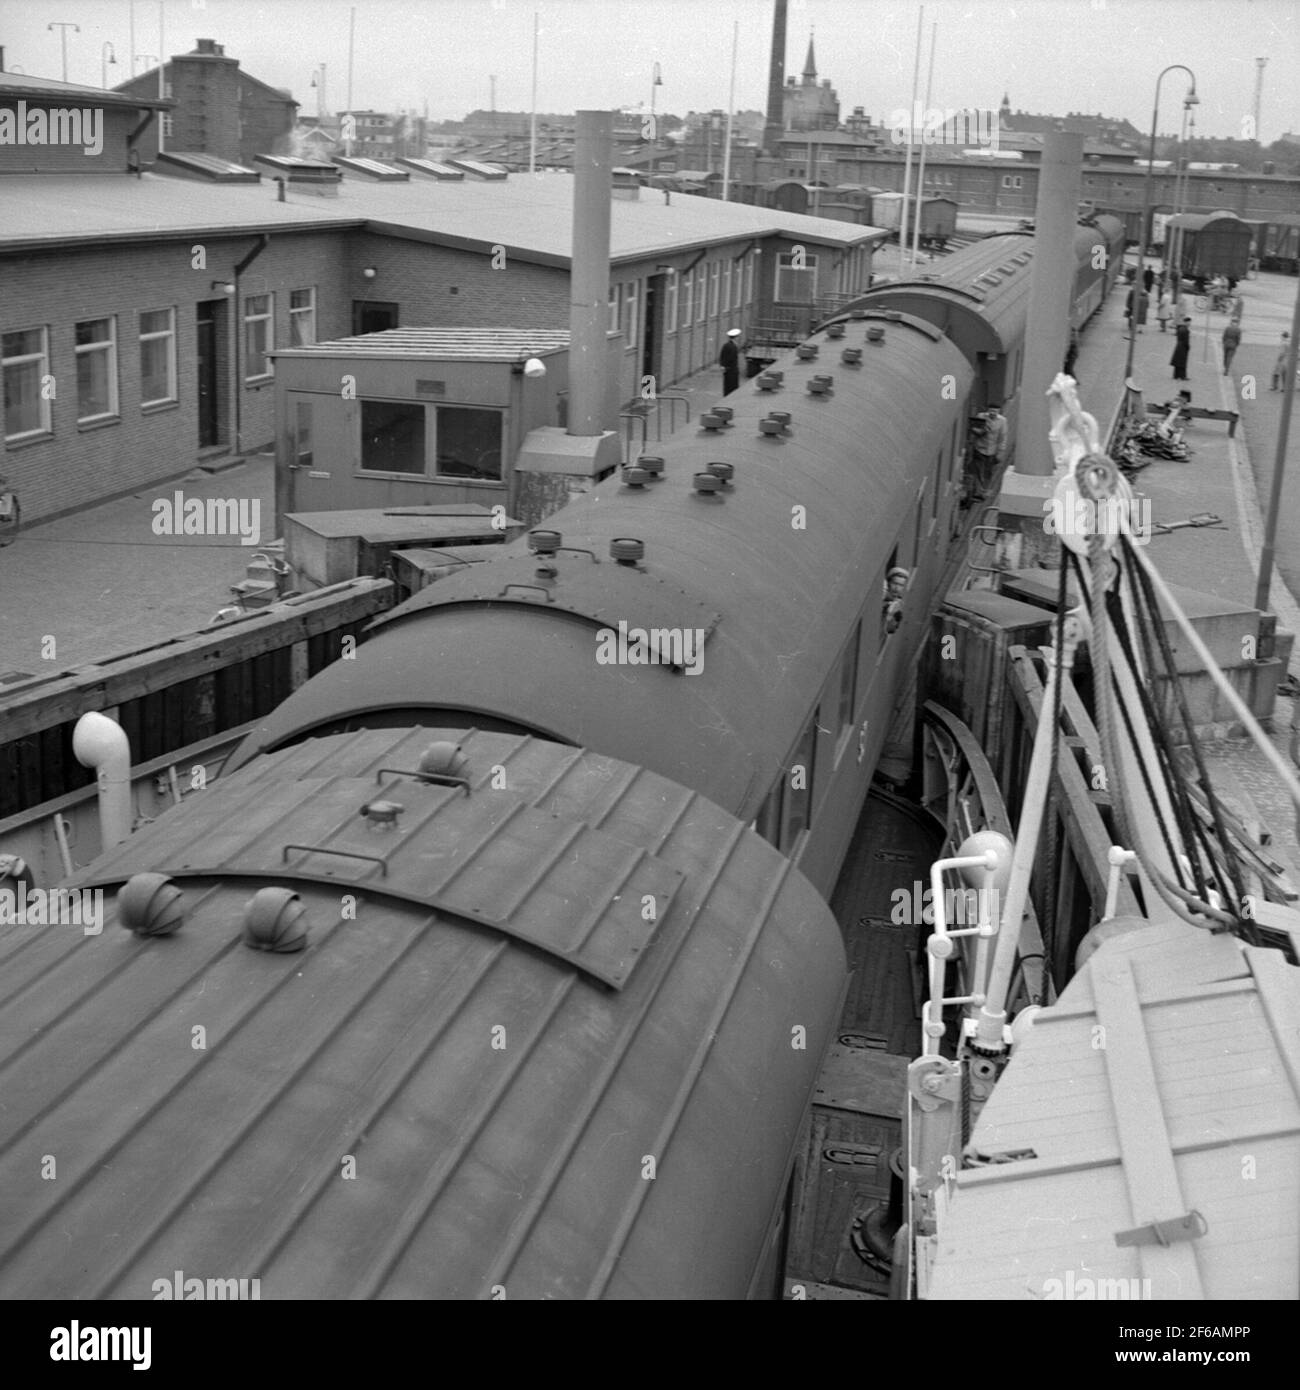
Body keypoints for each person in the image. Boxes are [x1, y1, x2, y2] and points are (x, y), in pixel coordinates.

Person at [969, 404, 1007, 499]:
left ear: (998, 412)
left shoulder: (1002, 421)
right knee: (978, 470)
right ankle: (978, 491)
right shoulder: (981, 416)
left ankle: (984, 490)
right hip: (979, 448)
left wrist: (1000, 452)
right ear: (988, 410)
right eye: (991, 411)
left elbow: (1003, 437)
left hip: (991, 451)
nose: (993, 413)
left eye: (995, 411)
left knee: (988, 472)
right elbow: (974, 428)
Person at [719, 328, 742, 395]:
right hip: (732, 370)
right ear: (736, 337)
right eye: (738, 336)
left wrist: (722, 366)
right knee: (732, 387)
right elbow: (730, 358)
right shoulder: (733, 347)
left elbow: (722, 356)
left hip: (727, 370)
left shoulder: (726, 345)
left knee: (727, 386)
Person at [1171, 317, 1192, 382]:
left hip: (1178, 346)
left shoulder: (1180, 328)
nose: (1190, 323)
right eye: (1189, 322)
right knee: (1183, 362)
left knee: (1178, 362)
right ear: (1186, 322)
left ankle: (1176, 375)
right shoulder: (1186, 330)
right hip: (1183, 347)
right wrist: (1188, 347)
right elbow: (1186, 341)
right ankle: (1183, 376)